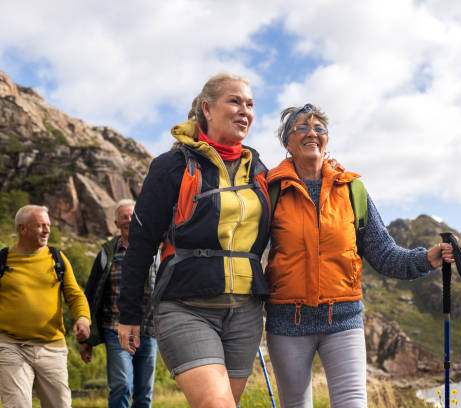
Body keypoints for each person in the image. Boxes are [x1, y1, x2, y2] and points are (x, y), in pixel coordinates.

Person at [264, 104, 456, 408]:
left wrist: (427, 259)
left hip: (343, 320)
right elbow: (249, 251)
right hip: (288, 322)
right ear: (287, 141)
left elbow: (384, 254)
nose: (312, 133)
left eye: (319, 128)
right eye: (302, 127)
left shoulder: (352, 190)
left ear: (326, 140)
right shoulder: (271, 190)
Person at [117, 73, 270, 408]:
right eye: (234, 101)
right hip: (186, 308)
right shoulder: (171, 166)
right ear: (208, 109)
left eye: (250, 104)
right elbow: (140, 246)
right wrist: (128, 313)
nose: (244, 110)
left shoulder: (259, 170)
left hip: (245, 313)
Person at [0, 205, 90, 408]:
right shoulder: (3, 260)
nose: (47, 230)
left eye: (48, 225)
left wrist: (83, 319)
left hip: (51, 346)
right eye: (40, 226)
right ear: (22, 229)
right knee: (18, 405)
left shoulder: (57, 258)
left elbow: (75, 296)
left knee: (59, 405)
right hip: (11, 346)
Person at [80, 199, 158, 407]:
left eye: (133, 216)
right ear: (116, 223)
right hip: (114, 329)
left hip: (147, 331)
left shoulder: (153, 250)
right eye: (124, 217)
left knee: (144, 393)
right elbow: (91, 293)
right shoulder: (107, 253)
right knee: (122, 385)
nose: (129, 220)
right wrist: (87, 338)